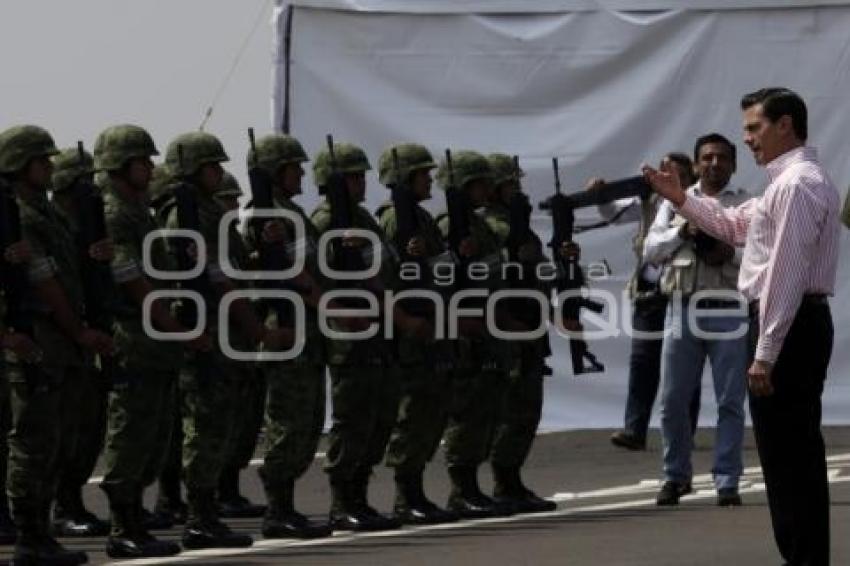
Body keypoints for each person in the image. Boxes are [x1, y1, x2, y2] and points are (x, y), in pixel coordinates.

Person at [644, 88, 841, 565]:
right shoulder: (786, 183)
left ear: (785, 126)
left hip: (788, 325)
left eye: (754, 128)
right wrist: (681, 202)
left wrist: (766, 351)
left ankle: (803, 556)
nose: (747, 139)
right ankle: (801, 554)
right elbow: (733, 226)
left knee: (788, 457)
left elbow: (785, 274)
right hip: (795, 323)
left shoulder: (795, 185)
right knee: (790, 455)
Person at [162, 131, 288, 549]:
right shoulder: (186, 216)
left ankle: (208, 510)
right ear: (194, 170)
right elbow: (214, 277)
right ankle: (199, 515)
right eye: (212, 166)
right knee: (205, 426)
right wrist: (257, 329)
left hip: (223, 331)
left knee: (221, 425)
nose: (219, 172)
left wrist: (260, 248)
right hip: (207, 330)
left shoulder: (210, 213)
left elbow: (232, 265)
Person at [0, 124, 113, 566]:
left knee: (56, 441)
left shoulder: (43, 213)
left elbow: (67, 272)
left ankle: (41, 532)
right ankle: (30, 535)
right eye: (41, 160)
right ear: (19, 164)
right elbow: (44, 283)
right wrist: (79, 331)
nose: (50, 167)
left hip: (58, 345)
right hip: (42, 341)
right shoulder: (22, 217)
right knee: (34, 443)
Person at [95, 124, 203, 558]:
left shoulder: (139, 210)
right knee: (132, 432)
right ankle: (123, 526)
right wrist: (174, 327)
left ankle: (135, 520)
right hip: (136, 338)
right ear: (122, 165)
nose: (151, 167)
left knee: (154, 435)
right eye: (143, 160)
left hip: (155, 341)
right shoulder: (115, 213)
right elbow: (130, 279)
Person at [643, 133, 751, 507]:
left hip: (728, 309)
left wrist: (727, 253)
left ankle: (727, 480)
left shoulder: (746, 203)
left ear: (734, 164)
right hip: (683, 307)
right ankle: (675, 475)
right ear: (696, 162)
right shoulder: (675, 202)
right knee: (672, 399)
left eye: (722, 158)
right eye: (707, 158)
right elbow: (651, 252)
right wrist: (682, 229)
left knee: (730, 401)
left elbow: (760, 255)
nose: (714, 164)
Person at [244, 134, 332, 538]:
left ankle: (285, 507)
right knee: (288, 422)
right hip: (287, 329)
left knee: (308, 422)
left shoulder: (292, 212)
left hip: (307, 332)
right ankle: (278, 510)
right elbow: (290, 271)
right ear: (276, 172)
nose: (302, 174)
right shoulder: (265, 217)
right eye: (294, 167)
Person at [589, 154, 702, 451]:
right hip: (650, 289)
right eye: (662, 172)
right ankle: (634, 428)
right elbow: (613, 214)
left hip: (683, 287)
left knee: (685, 366)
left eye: (674, 173)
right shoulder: (648, 201)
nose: (665, 177)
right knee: (643, 361)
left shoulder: (697, 201)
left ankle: (684, 432)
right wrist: (601, 195)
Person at [376, 143, 457, 524]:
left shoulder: (423, 219)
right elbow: (388, 277)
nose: (430, 181)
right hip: (409, 330)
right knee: (411, 414)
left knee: (430, 414)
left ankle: (416, 490)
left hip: (432, 323)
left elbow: (442, 270)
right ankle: (404, 494)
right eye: (423, 174)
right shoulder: (395, 220)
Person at [434, 151, 515, 519]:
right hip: (465, 329)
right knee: (467, 413)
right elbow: (435, 280)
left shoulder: (477, 225)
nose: (488, 189)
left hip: (486, 325)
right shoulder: (448, 225)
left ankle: (472, 486)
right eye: (480, 183)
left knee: (486, 411)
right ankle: (461, 488)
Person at [48, 147, 111, 537]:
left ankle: (70, 501)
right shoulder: (50, 221)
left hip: (83, 336)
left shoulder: (87, 223)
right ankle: (59, 507)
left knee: (88, 429)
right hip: (57, 337)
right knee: (58, 431)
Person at [211, 172, 268, 521]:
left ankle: (229, 489)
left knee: (243, 420)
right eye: (227, 199)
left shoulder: (232, 235)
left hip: (241, 335)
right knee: (222, 420)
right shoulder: (215, 235)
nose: (234, 205)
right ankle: (216, 492)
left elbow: (242, 270)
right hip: (225, 332)